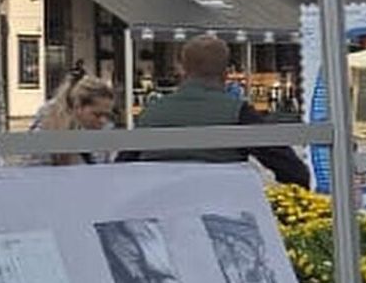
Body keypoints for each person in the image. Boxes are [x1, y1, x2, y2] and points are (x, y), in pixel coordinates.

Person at [121, 35, 308, 186]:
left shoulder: (151, 112)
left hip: (159, 212)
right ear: (226, 73)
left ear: (182, 70)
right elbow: (290, 168)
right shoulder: (238, 112)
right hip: (220, 210)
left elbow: (121, 167)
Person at [29, 74, 117, 165]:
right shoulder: (48, 129)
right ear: (78, 107)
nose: (103, 121)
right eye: (97, 115)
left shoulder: (106, 130)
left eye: (107, 115)